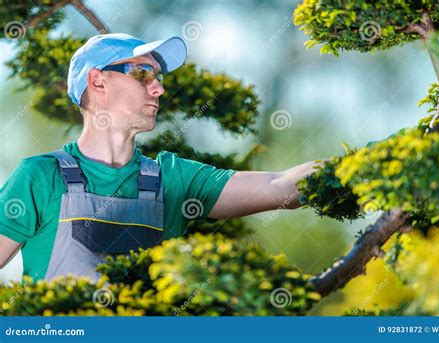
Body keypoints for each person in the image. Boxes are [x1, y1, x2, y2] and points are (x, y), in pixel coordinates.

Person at [0, 33, 321, 282]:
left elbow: (281, 187)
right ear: (98, 81)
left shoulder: (172, 180)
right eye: (142, 74)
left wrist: (363, 166)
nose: (158, 90)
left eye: (159, 78)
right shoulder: (40, 177)